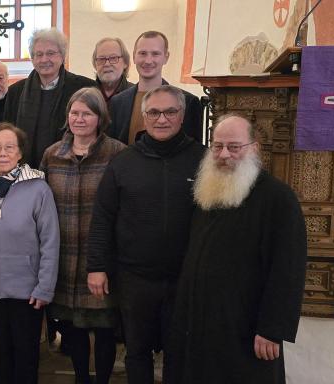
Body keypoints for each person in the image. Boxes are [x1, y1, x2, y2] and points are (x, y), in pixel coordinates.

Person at [168, 114, 306, 384]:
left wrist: (272, 329)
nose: (224, 154)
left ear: (253, 148)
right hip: (200, 324)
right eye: (217, 146)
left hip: (246, 328)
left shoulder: (278, 199)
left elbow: (288, 270)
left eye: (234, 146)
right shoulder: (207, 192)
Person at [87, 85, 205, 384]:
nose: (161, 119)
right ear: (143, 117)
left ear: (182, 115)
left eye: (169, 112)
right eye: (153, 112)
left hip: (185, 279)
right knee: (136, 351)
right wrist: (97, 266)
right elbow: (103, 217)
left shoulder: (204, 161)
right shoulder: (124, 163)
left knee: (180, 351)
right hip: (135, 278)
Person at [40, 88, 127, 384]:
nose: (79, 119)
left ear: (100, 118)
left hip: (100, 259)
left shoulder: (117, 153)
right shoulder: (52, 155)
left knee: (104, 328)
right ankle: (81, 378)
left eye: (87, 113)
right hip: (64, 257)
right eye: (74, 113)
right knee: (71, 326)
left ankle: (101, 379)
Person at [0, 122, 60, 384]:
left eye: (9, 147)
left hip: (28, 293)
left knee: (26, 357)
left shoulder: (39, 189)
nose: (3, 153)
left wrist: (44, 288)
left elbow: (50, 242)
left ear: (20, 153)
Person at [3, 28, 95, 168]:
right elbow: (8, 134)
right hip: (25, 170)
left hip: (69, 169)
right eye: (39, 54)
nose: (44, 59)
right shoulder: (16, 92)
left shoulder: (83, 88)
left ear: (63, 56)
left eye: (50, 53)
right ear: (32, 59)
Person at [108, 31, 202, 144]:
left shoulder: (188, 102)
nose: (148, 61)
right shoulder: (117, 102)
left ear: (166, 57)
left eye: (155, 54)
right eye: (142, 53)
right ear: (134, 56)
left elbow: (192, 152)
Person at [91, 37, 134, 103]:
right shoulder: (87, 96)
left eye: (113, 58)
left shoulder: (135, 96)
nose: (107, 64)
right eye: (101, 59)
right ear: (95, 64)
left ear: (125, 63)